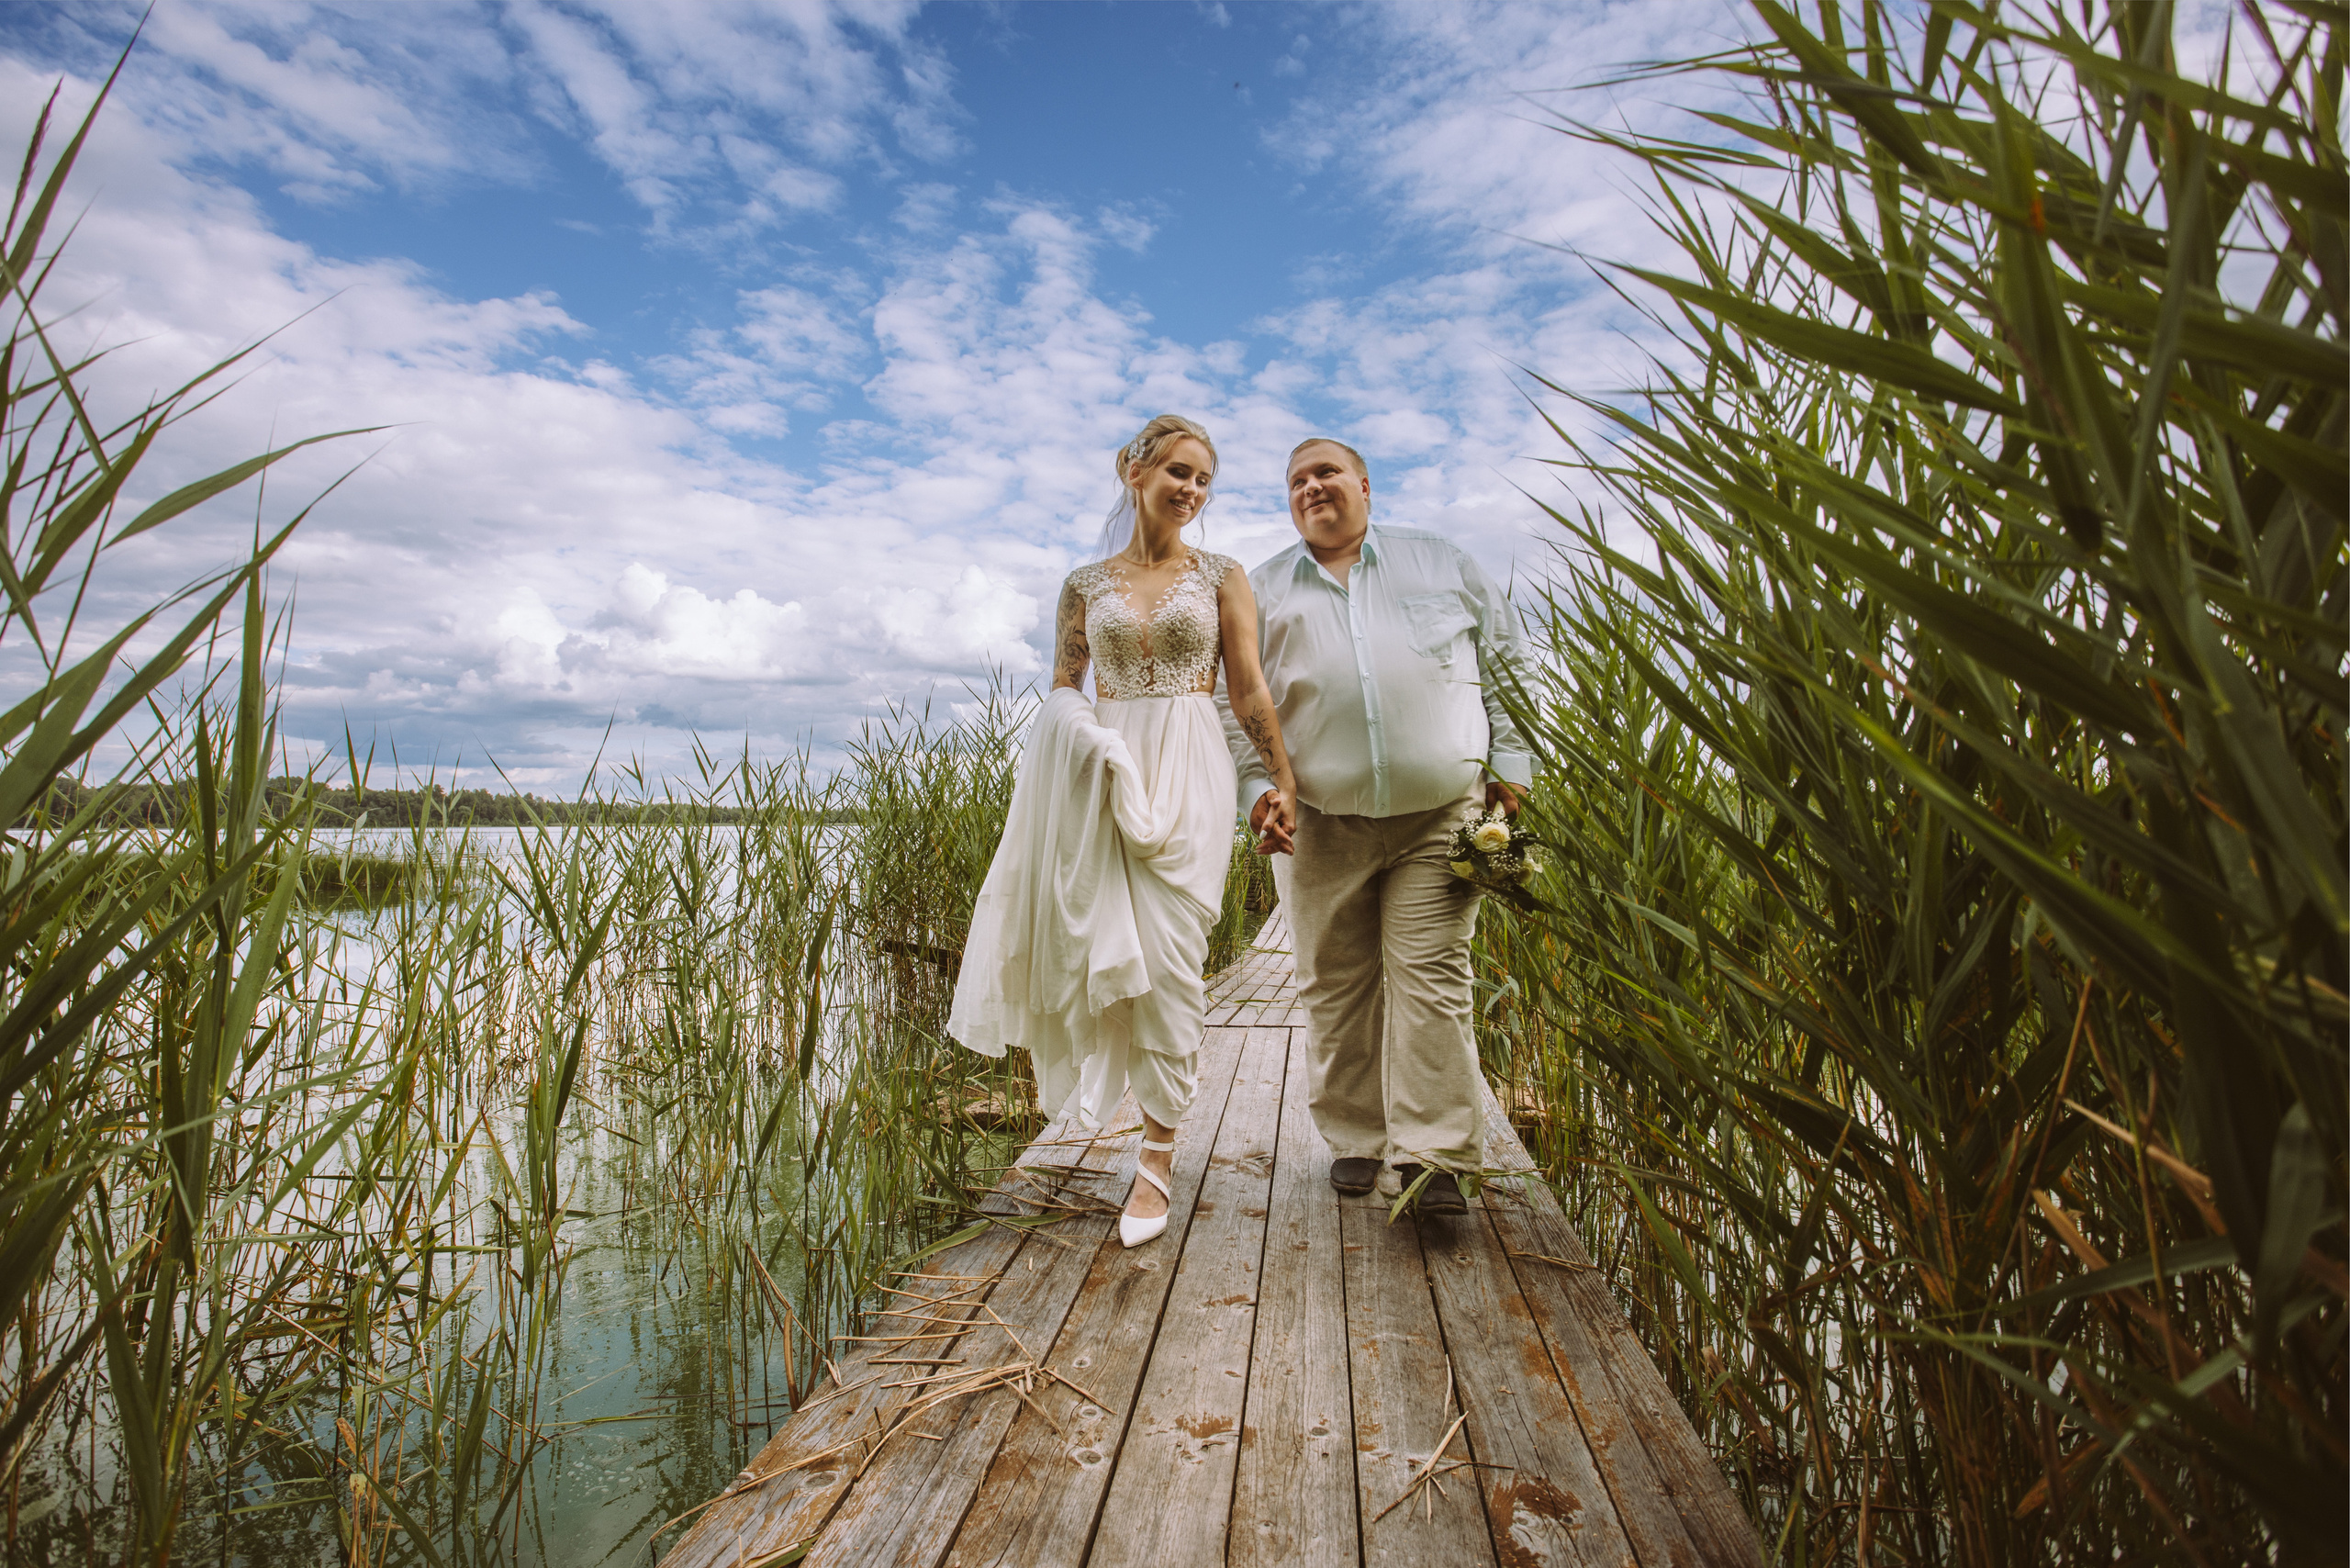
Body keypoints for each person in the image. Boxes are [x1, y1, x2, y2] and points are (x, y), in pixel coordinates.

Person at [949, 415, 1297, 1249]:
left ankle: (1158, 1154)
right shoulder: (1083, 584)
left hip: (1191, 768)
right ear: (1131, 470)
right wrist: (1088, 734)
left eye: (1204, 479)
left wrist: (1282, 780)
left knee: (1172, 961)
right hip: (1106, 770)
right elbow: (1064, 685)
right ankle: (1133, 1125)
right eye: (1178, 471)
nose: (1192, 490)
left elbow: (1247, 687)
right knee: (1109, 946)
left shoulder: (1221, 575)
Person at [1221, 437, 1531, 1217]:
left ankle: (1434, 1159)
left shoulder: (1442, 562)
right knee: (1334, 981)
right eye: (1296, 480)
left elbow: (1506, 662)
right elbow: (1237, 700)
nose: (1311, 486)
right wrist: (1258, 787)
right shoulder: (1260, 589)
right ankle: (1357, 1137)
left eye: (1326, 472)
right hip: (1320, 823)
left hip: (1442, 814)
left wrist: (1513, 762)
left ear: (1364, 483)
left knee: (1434, 978)